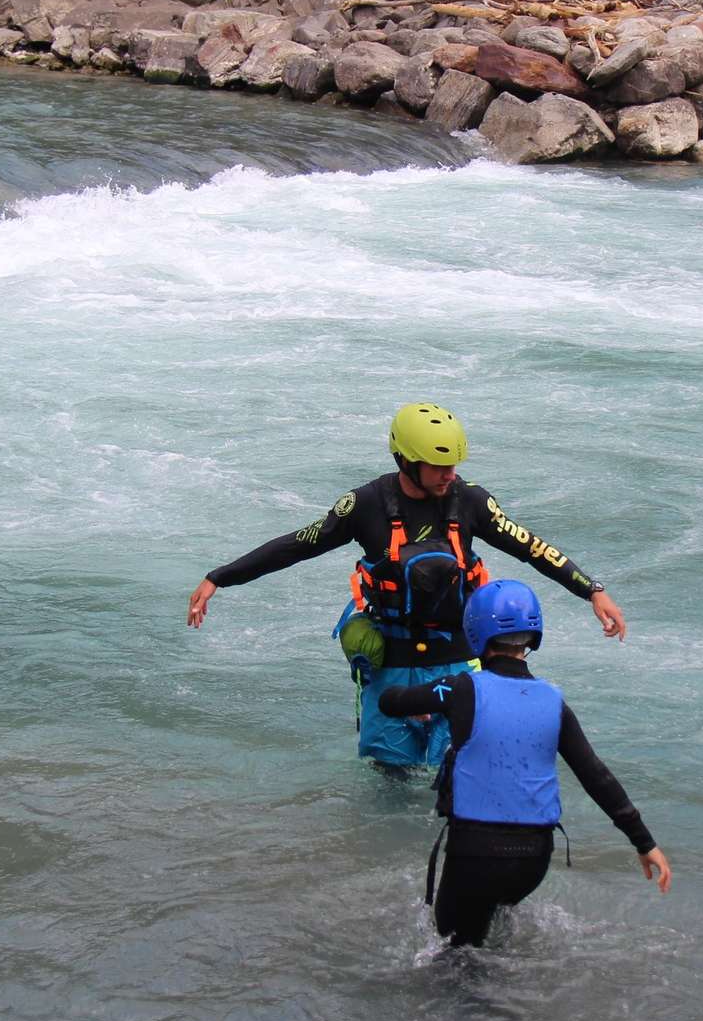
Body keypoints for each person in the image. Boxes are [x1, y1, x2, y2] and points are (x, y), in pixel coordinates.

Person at [187, 403, 627, 768]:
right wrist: (218, 578)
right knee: (390, 776)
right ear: (405, 460)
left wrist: (591, 589)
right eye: (437, 466)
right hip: (389, 664)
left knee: (455, 775)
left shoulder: (471, 502)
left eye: (453, 464)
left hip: (458, 663)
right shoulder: (364, 505)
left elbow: (531, 546)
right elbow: (298, 545)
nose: (448, 474)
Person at [377, 579, 671, 947]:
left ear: (474, 632)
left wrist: (425, 700)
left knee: (454, 957)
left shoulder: (460, 688)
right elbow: (596, 776)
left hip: (475, 853)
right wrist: (645, 844)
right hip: (534, 860)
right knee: (495, 931)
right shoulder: (553, 700)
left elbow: (391, 701)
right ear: (533, 635)